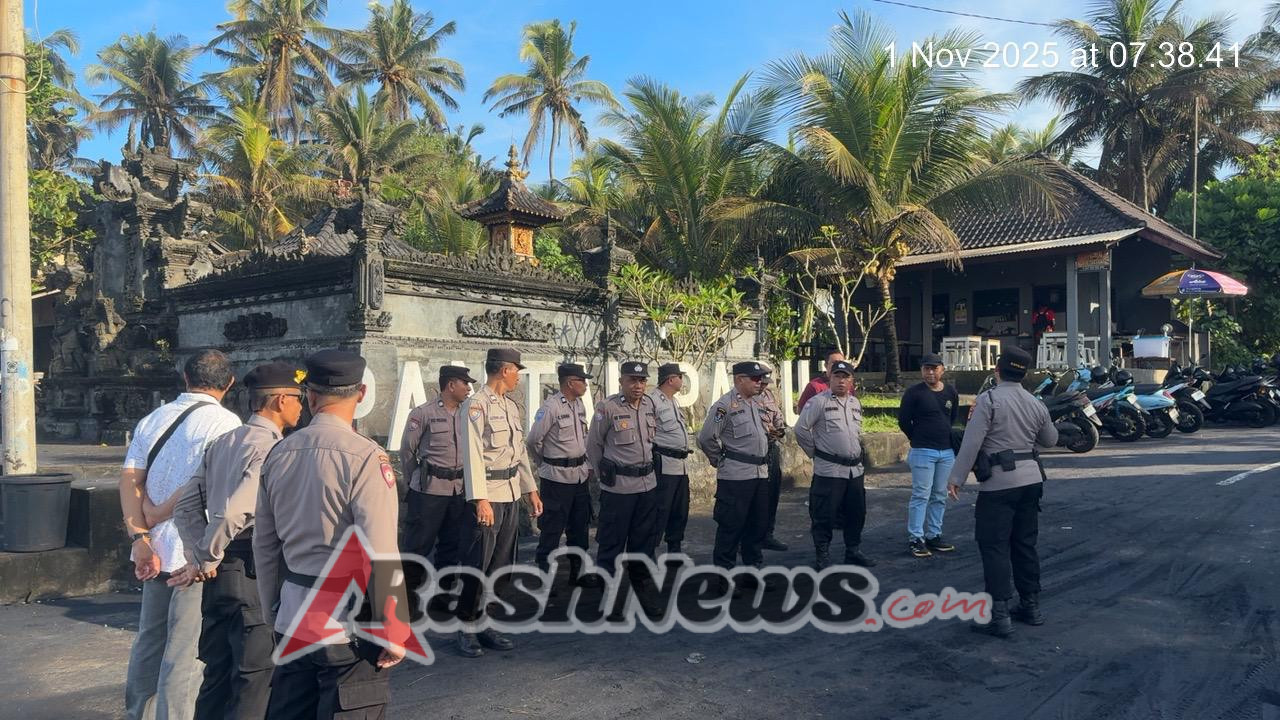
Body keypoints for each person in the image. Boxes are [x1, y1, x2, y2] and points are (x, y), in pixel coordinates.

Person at [254, 349, 407, 719]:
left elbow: (265, 543)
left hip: (293, 617)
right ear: (362, 394)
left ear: (310, 396)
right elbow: (380, 549)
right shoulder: (367, 457)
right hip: (347, 627)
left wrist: (272, 610)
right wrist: (394, 627)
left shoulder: (278, 453)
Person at [172, 361, 304, 720]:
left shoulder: (224, 441)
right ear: (279, 400)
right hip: (250, 570)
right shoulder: (274, 449)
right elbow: (236, 512)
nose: (301, 405)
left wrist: (199, 555)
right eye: (296, 397)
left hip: (219, 577)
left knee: (216, 677)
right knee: (254, 679)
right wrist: (205, 556)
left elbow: (186, 506)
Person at [120, 349, 242, 720]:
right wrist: (157, 515)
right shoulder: (225, 423)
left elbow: (129, 480)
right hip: (193, 549)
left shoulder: (154, 418)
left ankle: (137, 714)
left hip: (154, 548)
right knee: (185, 652)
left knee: (150, 640)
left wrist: (140, 535)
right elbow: (204, 484)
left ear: (186, 379)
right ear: (229, 383)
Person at [947, 346, 1057, 638]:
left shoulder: (989, 399)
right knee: (1025, 543)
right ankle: (1030, 606)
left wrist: (956, 478)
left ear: (997, 370)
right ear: (1024, 373)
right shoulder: (1035, 402)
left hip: (998, 484)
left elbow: (971, 442)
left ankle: (999, 616)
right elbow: (1050, 439)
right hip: (1032, 481)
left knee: (995, 546)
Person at [456, 348, 543, 658]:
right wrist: (480, 499)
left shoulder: (510, 406)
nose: (519, 375)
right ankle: (466, 627)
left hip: (509, 494)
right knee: (478, 563)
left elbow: (518, 453)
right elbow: (472, 457)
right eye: (516, 370)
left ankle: (486, 622)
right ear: (504, 370)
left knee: (502, 565)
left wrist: (530, 490)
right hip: (488, 496)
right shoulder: (475, 406)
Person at [399, 365, 476, 604]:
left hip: (458, 490)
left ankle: (443, 596)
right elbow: (407, 451)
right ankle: (408, 599)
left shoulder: (469, 412)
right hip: (429, 490)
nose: (469, 388)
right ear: (451, 385)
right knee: (418, 546)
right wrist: (415, 482)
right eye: (465, 383)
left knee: (451, 546)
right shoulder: (423, 413)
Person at [793, 360, 875, 569]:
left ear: (851, 381)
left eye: (845, 377)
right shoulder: (818, 402)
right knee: (824, 515)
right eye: (837, 376)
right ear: (830, 378)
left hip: (854, 470)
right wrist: (816, 453)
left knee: (856, 512)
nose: (841, 381)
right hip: (829, 470)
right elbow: (801, 429)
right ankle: (823, 555)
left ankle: (853, 551)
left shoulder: (855, 403)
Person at [586, 361, 660, 584]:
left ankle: (642, 588)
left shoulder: (649, 405)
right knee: (612, 542)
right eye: (632, 380)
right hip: (618, 489)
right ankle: (607, 592)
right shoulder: (607, 407)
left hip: (647, 486)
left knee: (644, 542)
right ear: (621, 382)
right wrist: (605, 477)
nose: (638, 385)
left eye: (642, 380)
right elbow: (593, 446)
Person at [697, 361, 772, 573]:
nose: (760, 383)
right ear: (740, 379)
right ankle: (724, 575)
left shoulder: (756, 403)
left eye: (760, 379)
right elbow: (706, 438)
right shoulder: (724, 406)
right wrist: (719, 460)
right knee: (731, 528)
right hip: (736, 477)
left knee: (757, 527)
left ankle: (753, 571)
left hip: (759, 474)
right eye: (755, 379)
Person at [526, 363, 593, 578]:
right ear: (570, 382)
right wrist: (545, 463)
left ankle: (578, 572)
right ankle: (545, 575)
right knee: (552, 529)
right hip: (556, 479)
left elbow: (583, 438)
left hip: (579, 476)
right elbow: (533, 441)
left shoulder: (578, 405)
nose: (585, 384)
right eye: (582, 380)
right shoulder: (551, 407)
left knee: (579, 527)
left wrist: (587, 464)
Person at [898, 352, 959, 558]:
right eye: (926, 368)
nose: (930, 372)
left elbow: (952, 417)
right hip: (923, 450)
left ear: (942, 369)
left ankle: (934, 534)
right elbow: (904, 421)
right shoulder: (914, 393)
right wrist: (918, 439)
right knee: (921, 494)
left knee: (940, 494)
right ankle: (916, 537)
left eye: (934, 368)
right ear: (921, 370)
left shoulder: (950, 391)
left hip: (946, 451)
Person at [647, 363, 691, 556]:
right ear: (671, 379)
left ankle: (674, 548)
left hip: (680, 465)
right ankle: (649, 550)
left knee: (680, 509)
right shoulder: (652, 401)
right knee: (660, 509)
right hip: (664, 463)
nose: (682, 381)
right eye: (680, 377)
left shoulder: (673, 401)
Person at [757, 370, 790, 552]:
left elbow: (778, 417)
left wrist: (779, 428)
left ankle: (767, 534)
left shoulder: (768, 395)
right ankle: (744, 538)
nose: (763, 386)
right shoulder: (739, 399)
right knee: (753, 498)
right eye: (760, 382)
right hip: (754, 453)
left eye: (765, 383)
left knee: (772, 494)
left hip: (772, 449)